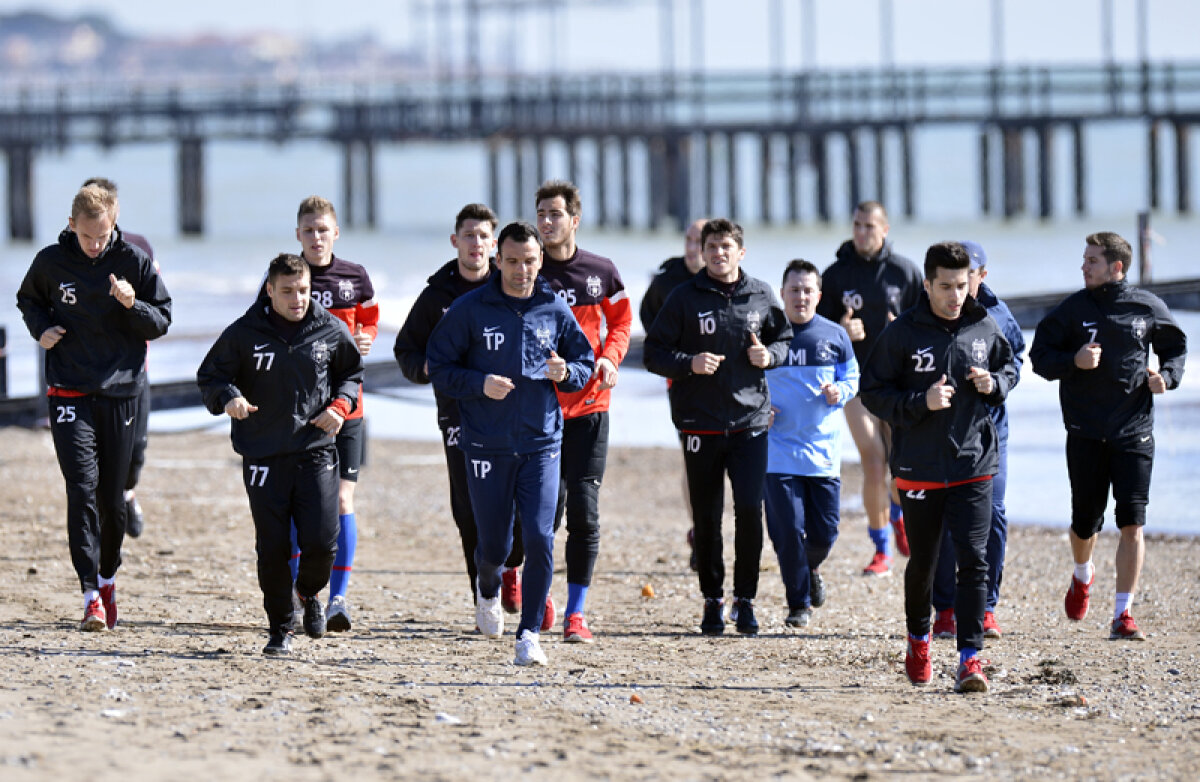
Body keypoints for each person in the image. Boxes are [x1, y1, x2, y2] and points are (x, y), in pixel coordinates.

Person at [427, 221, 594, 666]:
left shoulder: (554, 308)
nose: (522, 270)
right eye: (514, 261)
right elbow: (439, 366)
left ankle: (528, 636)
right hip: (486, 444)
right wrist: (479, 383)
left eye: (530, 262)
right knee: (496, 546)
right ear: (498, 260)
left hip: (542, 442)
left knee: (540, 537)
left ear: (542, 262)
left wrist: (567, 374)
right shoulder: (470, 308)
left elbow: (584, 363)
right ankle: (487, 589)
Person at [859, 241, 1018, 694]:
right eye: (945, 286)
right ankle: (919, 640)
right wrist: (918, 403)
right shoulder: (903, 333)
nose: (954, 295)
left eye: (962, 286)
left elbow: (1010, 369)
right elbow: (872, 392)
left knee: (974, 559)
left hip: (974, 463)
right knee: (925, 564)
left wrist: (994, 384)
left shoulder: (983, 325)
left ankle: (970, 659)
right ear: (927, 284)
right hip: (920, 467)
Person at [16, 183, 172, 631]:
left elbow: (161, 319)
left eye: (103, 236)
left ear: (114, 225)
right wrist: (40, 328)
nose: (95, 245)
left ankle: (107, 579)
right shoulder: (50, 261)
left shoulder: (133, 261)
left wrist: (131, 303)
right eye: (87, 237)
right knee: (81, 488)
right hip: (69, 388)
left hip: (121, 389)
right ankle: (89, 594)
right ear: (72, 226)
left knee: (113, 498)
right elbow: (28, 300)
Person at [198, 253, 363, 655]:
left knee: (323, 543)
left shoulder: (329, 329)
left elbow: (352, 374)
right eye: (287, 291)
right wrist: (229, 398)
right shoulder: (243, 332)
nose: (297, 298)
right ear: (270, 290)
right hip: (263, 455)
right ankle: (280, 628)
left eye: (303, 290)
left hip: (316, 452)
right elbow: (210, 376)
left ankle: (307, 593)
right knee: (272, 548)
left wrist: (341, 405)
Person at [1030, 232, 1186, 641]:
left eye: (1092, 260)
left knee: (1132, 521)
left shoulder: (1145, 306)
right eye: (1084, 259)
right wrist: (1074, 361)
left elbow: (1175, 347)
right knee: (1085, 522)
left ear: (1116, 267)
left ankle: (1123, 614)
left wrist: (1165, 377)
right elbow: (1039, 358)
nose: (1084, 266)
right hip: (1085, 431)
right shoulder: (1071, 310)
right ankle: (1083, 574)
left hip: (1134, 431)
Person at [643, 218, 793, 636]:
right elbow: (654, 352)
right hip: (700, 424)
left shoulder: (761, 294)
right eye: (711, 246)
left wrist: (771, 357)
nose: (718, 253)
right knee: (708, 518)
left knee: (749, 511)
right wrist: (688, 364)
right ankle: (712, 600)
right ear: (703, 252)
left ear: (740, 252)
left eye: (726, 246)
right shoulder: (683, 297)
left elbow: (785, 340)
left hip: (750, 423)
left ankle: (745, 601)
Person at [393, 203, 539, 625]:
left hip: (510, 412)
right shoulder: (437, 294)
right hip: (458, 414)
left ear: (495, 246)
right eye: (468, 236)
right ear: (455, 241)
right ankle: (483, 590)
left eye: (483, 236)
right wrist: (427, 371)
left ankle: (511, 564)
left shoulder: (511, 283)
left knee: (518, 501)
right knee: (469, 506)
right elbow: (407, 349)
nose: (475, 243)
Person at [534, 179, 633, 643]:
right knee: (541, 517)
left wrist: (611, 357)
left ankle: (576, 612)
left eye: (556, 214)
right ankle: (537, 591)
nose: (547, 222)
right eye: (542, 214)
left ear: (575, 219)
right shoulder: (526, 271)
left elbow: (621, 320)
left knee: (585, 513)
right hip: (539, 410)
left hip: (592, 405)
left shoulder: (602, 271)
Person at [283, 196, 379, 632]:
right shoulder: (286, 276)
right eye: (309, 230)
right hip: (300, 413)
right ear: (298, 234)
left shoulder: (355, 276)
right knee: (297, 507)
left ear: (335, 233)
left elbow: (371, 318)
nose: (317, 237)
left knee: (342, 500)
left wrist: (365, 337)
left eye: (324, 230)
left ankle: (338, 598)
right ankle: (299, 591)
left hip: (350, 408)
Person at [816, 200, 923, 576]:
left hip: (897, 383)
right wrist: (841, 334)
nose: (862, 233)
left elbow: (928, 327)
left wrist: (903, 329)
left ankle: (897, 515)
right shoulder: (834, 276)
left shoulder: (905, 273)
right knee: (873, 462)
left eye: (870, 226)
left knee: (901, 467)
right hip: (854, 382)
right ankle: (881, 550)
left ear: (885, 229)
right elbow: (815, 332)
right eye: (857, 225)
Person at [929, 241, 1025, 641]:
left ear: (981, 275)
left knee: (993, 517)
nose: (960, 284)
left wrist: (996, 382)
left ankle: (985, 608)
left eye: (969, 275)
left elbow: (1015, 361)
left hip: (990, 432)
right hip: (941, 433)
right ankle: (947, 608)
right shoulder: (927, 311)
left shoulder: (998, 315)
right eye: (953, 278)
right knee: (944, 523)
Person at [764, 260, 858, 629]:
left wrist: (842, 391)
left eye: (808, 290)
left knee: (824, 532)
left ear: (818, 295)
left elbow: (852, 376)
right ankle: (797, 603)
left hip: (823, 453)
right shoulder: (768, 333)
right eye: (794, 290)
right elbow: (748, 379)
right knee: (787, 531)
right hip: (777, 451)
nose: (801, 296)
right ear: (782, 293)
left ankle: (812, 567)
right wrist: (760, 409)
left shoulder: (834, 335)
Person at [81, 177, 155, 540]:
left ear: (115, 210)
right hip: (85, 374)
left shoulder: (137, 250)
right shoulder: (69, 256)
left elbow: (158, 305)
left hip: (132, 368)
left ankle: (127, 493)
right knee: (93, 454)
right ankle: (104, 512)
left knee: (136, 447)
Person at [639, 216, 707, 571]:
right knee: (694, 458)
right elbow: (648, 316)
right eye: (689, 240)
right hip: (682, 380)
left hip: (725, 383)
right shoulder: (668, 280)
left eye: (701, 240)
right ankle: (700, 530)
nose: (694, 247)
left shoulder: (727, 275)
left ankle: (711, 529)